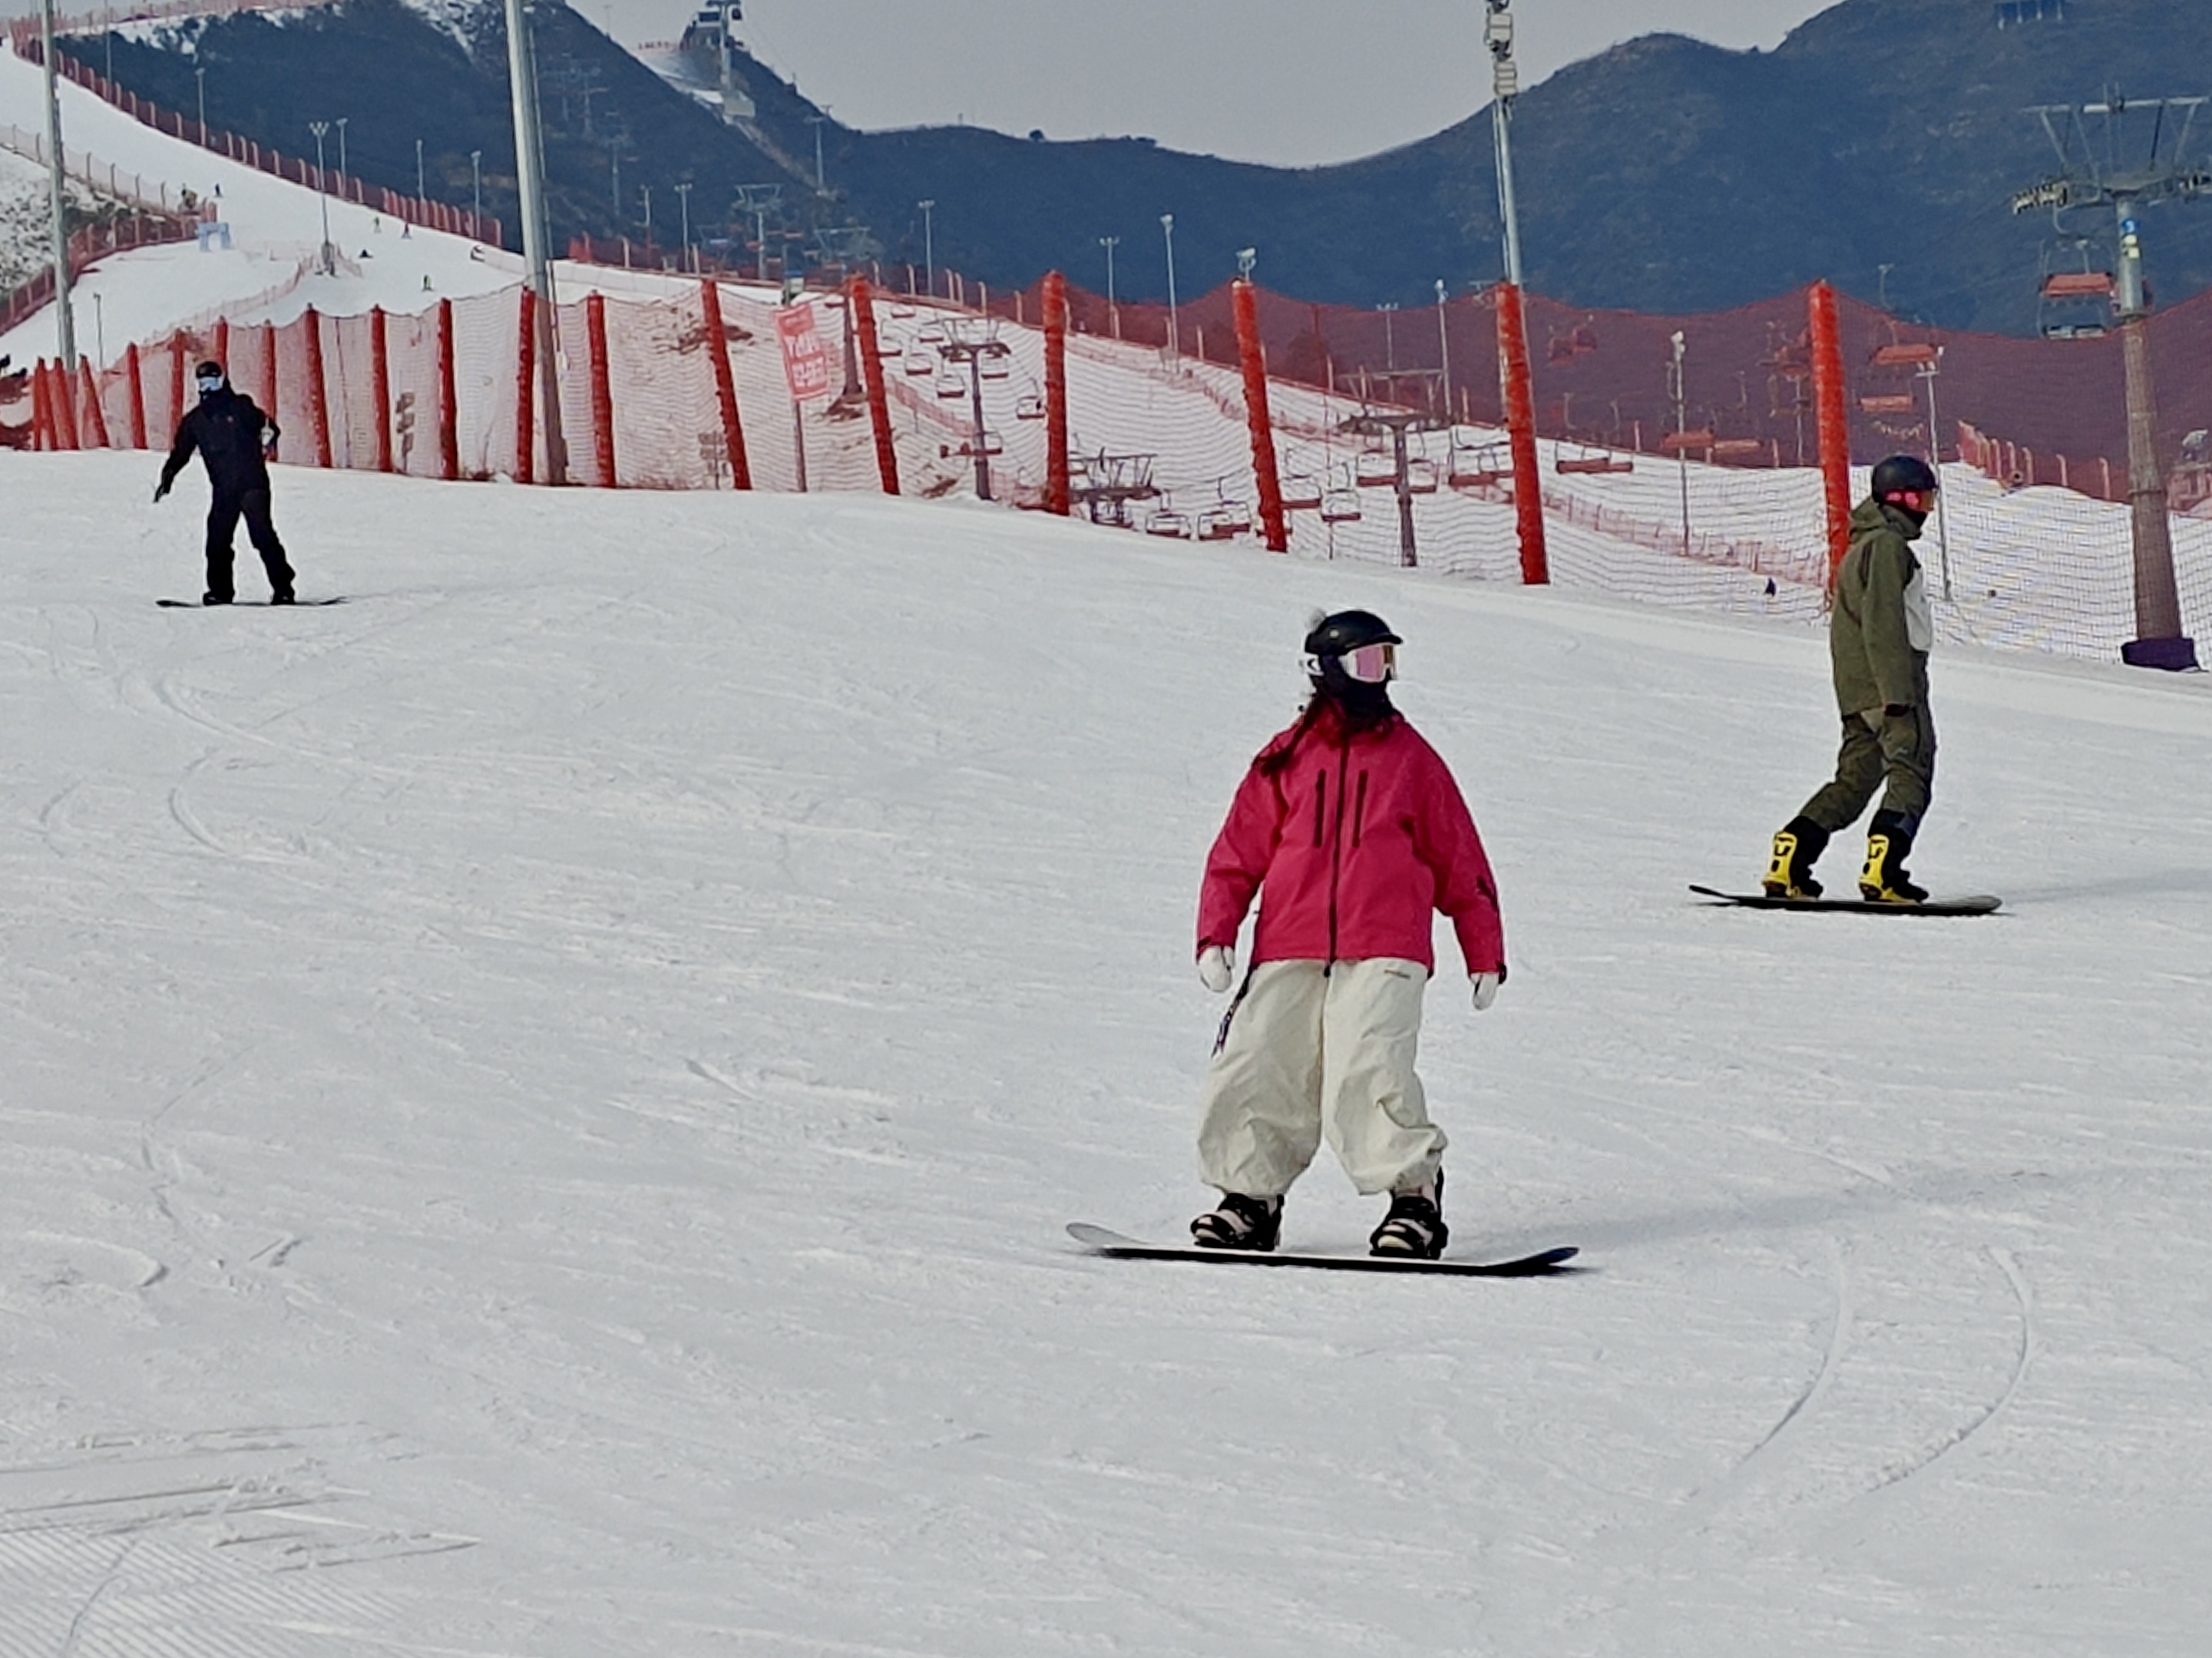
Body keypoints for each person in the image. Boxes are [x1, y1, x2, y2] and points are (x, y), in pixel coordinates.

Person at [1188, 609, 1507, 1259]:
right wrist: (1215, 932)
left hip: (1386, 942)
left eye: (1387, 661)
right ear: (1325, 670)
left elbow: (1459, 857)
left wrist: (1483, 948)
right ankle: (1249, 1199)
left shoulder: (1411, 759)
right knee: (1258, 1060)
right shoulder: (1284, 757)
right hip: (1289, 939)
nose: (1381, 677)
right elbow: (1236, 853)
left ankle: (1414, 1198)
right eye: (1367, 662)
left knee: (1367, 1065)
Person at [1765, 454, 1941, 905]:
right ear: (1901, 499)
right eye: (1924, 500)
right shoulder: (1887, 547)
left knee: (1855, 781)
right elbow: (1884, 622)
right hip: (1890, 688)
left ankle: (1792, 854)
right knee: (1911, 770)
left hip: (1858, 692)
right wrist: (1897, 693)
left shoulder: (1862, 547)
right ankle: (1885, 872)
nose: (1927, 510)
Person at [154, 361, 296, 606]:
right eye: (203, 383)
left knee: (261, 534)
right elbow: (181, 452)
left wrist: (269, 435)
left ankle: (283, 588)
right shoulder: (196, 421)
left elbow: (268, 426)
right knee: (217, 540)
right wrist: (168, 475)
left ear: (222, 381)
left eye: (212, 382)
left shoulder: (241, 407)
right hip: (223, 490)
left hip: (252, 483)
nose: (207, 388)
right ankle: (220, 592)